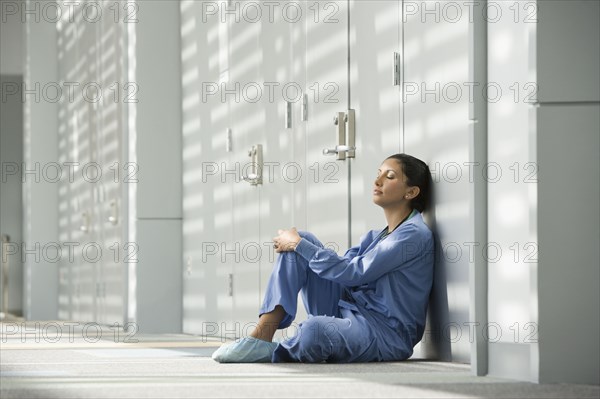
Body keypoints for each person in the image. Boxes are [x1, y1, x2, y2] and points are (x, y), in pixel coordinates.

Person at [212, 153, 434, 363]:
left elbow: (353, 272)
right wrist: (299, 245)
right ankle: (261, 336)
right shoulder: (377, 236)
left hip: (384, 334)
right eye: (378, 173)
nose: (377, 181)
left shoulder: (413, 234)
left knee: (314, 330)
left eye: (390, 176)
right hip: (350, 310)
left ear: (411, 193)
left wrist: (299, 244)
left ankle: (283, 348)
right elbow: (343, 268)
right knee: (302, 243)